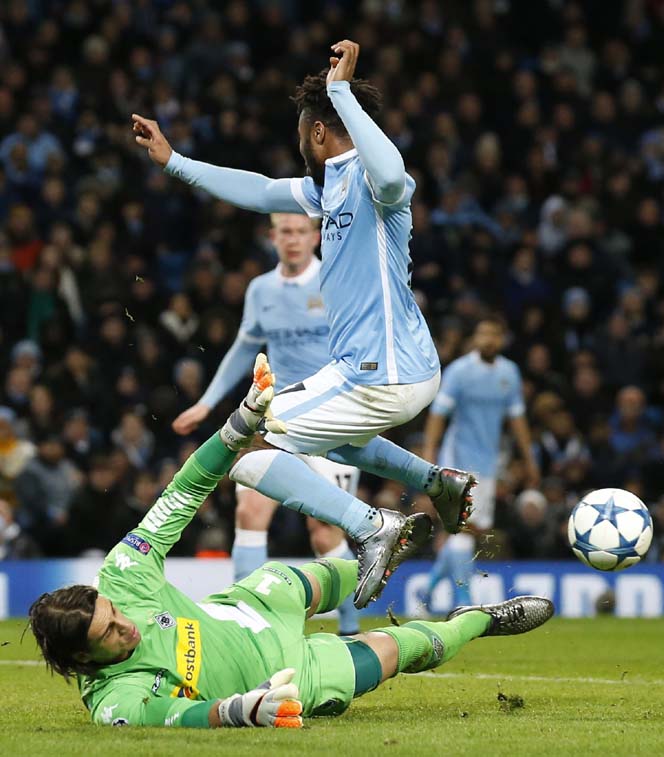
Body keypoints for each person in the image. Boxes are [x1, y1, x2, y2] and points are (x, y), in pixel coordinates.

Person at [133, 40, 476, 608]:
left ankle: (371, 525)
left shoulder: (373, 182)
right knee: (338, 445)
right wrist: (175, 161)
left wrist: (341, 93)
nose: (299, 145)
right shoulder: (327, 188)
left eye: (302, 134)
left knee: (246, 451)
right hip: (386, 370)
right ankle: (438, 483)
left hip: (381, 370)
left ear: (319, 132)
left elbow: (394, 174)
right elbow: (259, 190)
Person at [29, 359, 554, 728]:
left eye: (114, 612)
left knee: (319, 575)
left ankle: (381, 548)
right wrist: (242, 710)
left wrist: (237, 426)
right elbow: (182, 717)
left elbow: (185, 490)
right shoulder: (115, 702)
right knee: (404, 650)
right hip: (285, 677)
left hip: (252, 606)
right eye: (110, 633)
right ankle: (481, 619)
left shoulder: (122, 573)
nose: (124, 623)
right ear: (83, 659)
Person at [173, 212, 361, 634]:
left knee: (325, 529)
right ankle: (241, 623)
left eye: (299, 231)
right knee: (250, 510)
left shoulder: (336, 281)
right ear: (272, 237)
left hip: (332, 419)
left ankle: (351, 629)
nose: (292, 240)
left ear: (315, 236)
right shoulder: (261, 290)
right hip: (276, 419)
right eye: (284, 232)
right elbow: (244, 347)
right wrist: (206, 403)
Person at [421, 317, 540, 609]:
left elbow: (517, 419)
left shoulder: (509, 373)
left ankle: (430, 587)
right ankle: (464, 600)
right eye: (483, 333)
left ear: (502, 338)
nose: (488, 339)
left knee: (471, 529)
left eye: (493, 334)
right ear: (475, 338)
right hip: (457, 459)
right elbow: (439, 413)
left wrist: (530, 460)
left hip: (488, 464)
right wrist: (429, 453)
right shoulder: (460, 371)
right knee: (464, 528)